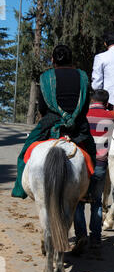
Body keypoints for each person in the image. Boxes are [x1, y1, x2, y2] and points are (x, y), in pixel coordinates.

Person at [12, 44, 96, 199]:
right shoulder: (82, 76)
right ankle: (90, 189)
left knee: (26, 150)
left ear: (52, 60)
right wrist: (73, 117)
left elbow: (43, 107)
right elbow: (84, 106)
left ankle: (20, 188)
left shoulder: (46, 77)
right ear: (71, 60)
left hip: (51, 122)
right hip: (77, 124)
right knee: (91, 152)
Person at [72, 89, 114, 256]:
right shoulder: (112, 116)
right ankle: (96, 239)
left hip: (82, 165)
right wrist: (111, 106)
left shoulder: (82, 114)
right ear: (106, 102)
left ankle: (80, 236)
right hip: (100, 164)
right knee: (97, 202)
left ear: (91, 100)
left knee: (78, 202)